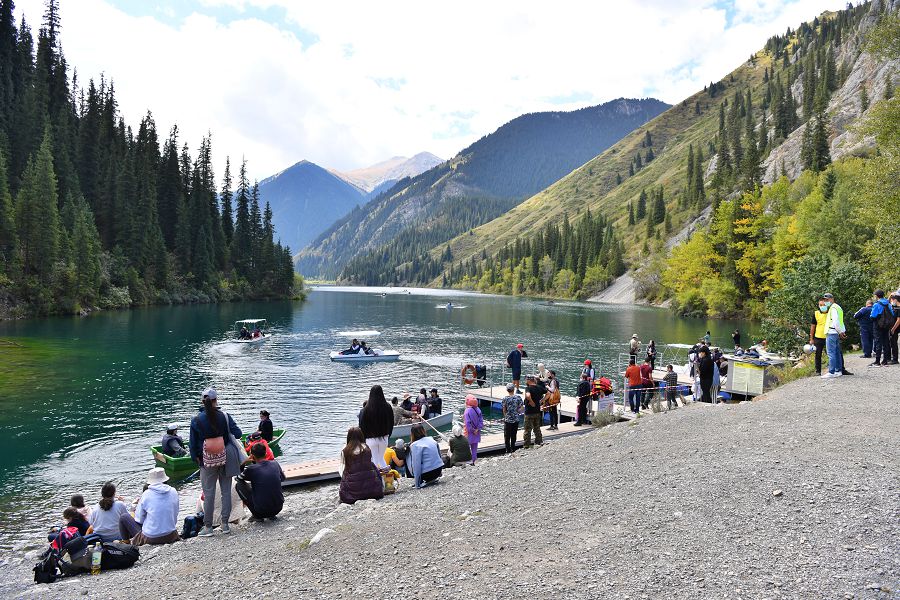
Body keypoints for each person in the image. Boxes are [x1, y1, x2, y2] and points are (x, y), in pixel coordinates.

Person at [189, 388, 242, 537]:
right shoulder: (224, 416)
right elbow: (238, 433)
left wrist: (197, 458)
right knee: (226, 492)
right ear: (216, 400)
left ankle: (208, 527)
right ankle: (225, 524)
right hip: (225, 457)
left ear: (202, 401)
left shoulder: (196, 420)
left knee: (209, 493)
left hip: (206, 461)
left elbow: (192, 444)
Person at [118, 468, 180, 546]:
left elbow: (139, 519)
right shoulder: (173, 491)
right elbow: (176, 513)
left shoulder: (146, 494)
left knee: (124, 517)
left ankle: (126, 542)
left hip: (151, 538)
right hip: (171, 535)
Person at [236, 443, 285, 520]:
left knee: (238, 484)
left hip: (261, 511)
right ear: (266, 453)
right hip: (278, 508)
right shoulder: (275, 463)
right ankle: (271, 515)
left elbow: (238, 478)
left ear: (252, 456)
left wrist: (243, 463)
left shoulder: (251, 469)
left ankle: (256, 516)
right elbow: (282, 478)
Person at [338, 427, 384, 504]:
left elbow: (342, 469)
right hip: (371, 489)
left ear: (348, 437)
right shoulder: (366, 448)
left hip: (353, 491)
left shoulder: (345, 450)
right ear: (361, 436)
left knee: (343, 469)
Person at [358, 385, 394, 469]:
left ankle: (376, 480)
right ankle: (386, 479)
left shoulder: (365, 410)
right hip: (384, 438)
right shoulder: (387, 407)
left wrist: (364, 439)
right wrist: (388, 434)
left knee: (373, 460)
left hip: (370, 439)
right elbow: (392, 422)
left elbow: (361, 425)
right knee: (381, 458)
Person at [821, 292, 847, 378]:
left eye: (827, 300)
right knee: (836, 352)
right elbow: (840, 321)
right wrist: (841, 331)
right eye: (825, 300)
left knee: (831, 353)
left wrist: (840, 332)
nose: (826, 301)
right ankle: (838, 370)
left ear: (832, 299)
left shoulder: (833, 308)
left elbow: (836, 322)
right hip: (836, 332)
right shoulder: (838, 307)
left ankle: (831, 372)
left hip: (832, 332)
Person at [870, 289, 895, 367]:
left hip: (878, 325)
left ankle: (877, 361)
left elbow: (873, 316)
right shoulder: (888, 303)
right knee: (886, 342)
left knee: (878, 342)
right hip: (886, 325)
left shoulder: (876, 304)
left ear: (877, 296)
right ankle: (885, 360)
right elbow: (893, 314)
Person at [523, 375, 546, 449]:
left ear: (529, 380)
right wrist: (542, 400)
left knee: (527, 429)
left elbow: (528, 395)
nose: (525, 381)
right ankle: (539, 441)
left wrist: (531, 401)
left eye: (526, 380)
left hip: (529, 412)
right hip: (537, 411)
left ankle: (527, 445)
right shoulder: (539, 387)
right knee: (537, 428)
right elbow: (548, 393)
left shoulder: (528, 388)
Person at [809, 297, 829, 375]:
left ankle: (832, 368)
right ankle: (818, 371)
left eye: (823, 305)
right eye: (820, 305)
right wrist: (811, 338)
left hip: (829, 336)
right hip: (818, 337)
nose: (821, 306)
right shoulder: (816, 313)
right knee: (818, 355)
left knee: (830, 354)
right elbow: (813, 326)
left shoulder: (830, 312)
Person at [501, 383, 524, 452]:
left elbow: (504, 409)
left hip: (508, 419)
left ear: (507, 390)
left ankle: (508, 449)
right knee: (514, 434)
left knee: (507, 435)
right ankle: (513, 448)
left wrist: (506, 416)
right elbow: (521, 408)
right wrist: (517, 411)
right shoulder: (518, 397)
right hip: (516, 419)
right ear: (513, 389)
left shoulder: (505, 398)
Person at [463, 395, 483, 465]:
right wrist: (477, 429)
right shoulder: (478, 409)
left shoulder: (467, 411)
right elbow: (481, 421)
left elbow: (468, 423)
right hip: (477, 433)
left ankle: (468, 461)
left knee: (467, 448)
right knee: (474, 448)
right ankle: (474, 460)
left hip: (469, 433)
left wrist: (472, 430)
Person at [889, 294, 900, 365]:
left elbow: (899, 320)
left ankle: (895, 359)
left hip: (896, 328)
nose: (892, 301)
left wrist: (893, 329)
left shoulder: (899, 308)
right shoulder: (895, 307)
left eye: (893, 300)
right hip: (895, 328)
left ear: (896, 300)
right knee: (893, 343)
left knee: (894, 343)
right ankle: (894, 358)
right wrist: (890, 296)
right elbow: (887, 302)